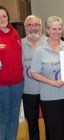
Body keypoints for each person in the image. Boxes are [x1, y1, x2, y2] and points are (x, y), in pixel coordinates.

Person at [31, 16, 64, 140]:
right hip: (49, 97)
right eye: (53, 29)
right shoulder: (39, 50)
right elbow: (34, 73)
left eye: (59, 29)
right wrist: (52, 82)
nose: (57, 32)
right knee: (53, 131)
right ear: (48, 31)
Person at [22, 15, 47, 140]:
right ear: (25, 28)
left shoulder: (49, 43)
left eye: (36, 25)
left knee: (50, 122)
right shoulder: (19, 44)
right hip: (28, 91)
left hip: (47, 90)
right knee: (32, 122)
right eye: (30, 25)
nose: (33, 28)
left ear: (41, 27)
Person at [0, 6, 24, 140]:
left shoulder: (15, 33)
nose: (2, 19)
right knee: (2, 116)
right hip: (1, 85)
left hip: (18, 83)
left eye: (4, 15)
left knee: (14, 115)